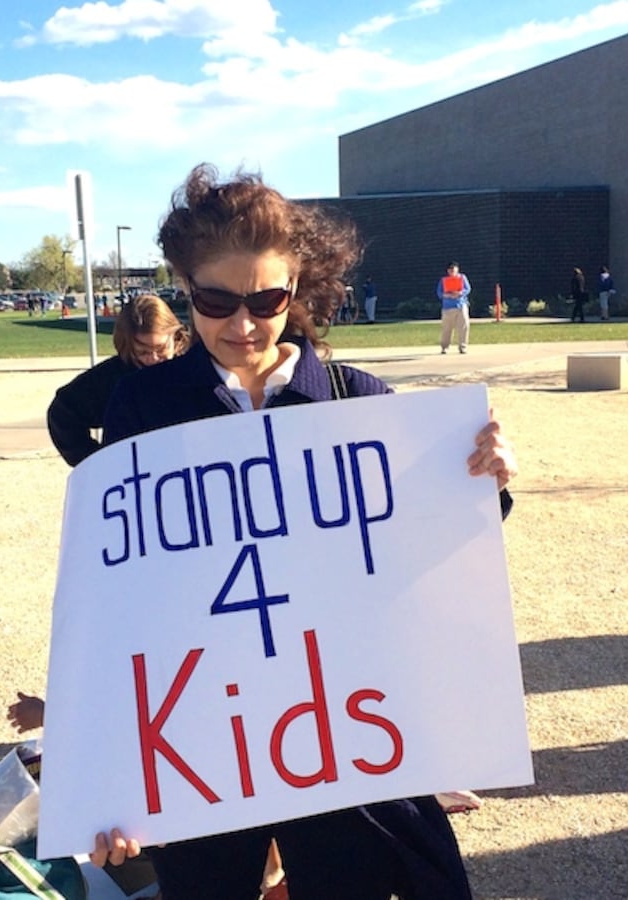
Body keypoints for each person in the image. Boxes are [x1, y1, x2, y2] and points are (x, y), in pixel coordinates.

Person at [95, 164, 518, 900]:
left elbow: (433, 553)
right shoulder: (143, 409)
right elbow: (122, 598)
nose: (243, 324)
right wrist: (111, 772)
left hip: (340, 733)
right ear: (183, 288)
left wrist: (484, 483)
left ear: (299, 286)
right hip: (208, 734)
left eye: (267, 298)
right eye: (215, 300)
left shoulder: (363, 404)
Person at [45, 294, 189, 466]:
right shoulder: (114, 376)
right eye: (142, 352)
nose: (153, 358)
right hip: (134, 476)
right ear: (127, 346)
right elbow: (62, 413)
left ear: (175, 337)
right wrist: (96, 463)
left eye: (161, 348)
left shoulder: (195, 367)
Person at [437, 262, 471, 354]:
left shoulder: (462, 278)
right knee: (446, 328)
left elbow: (467, 289)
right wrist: (446, 295)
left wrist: (460, 293)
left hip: (461, 305)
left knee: (463, 326)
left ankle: (463, 346)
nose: (452, 271)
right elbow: (439, 293)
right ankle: (445, 347)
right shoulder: (443, 280)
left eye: (454, 269)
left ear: (457, 269)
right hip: (447, 307)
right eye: (450, 269)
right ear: (448, 271)